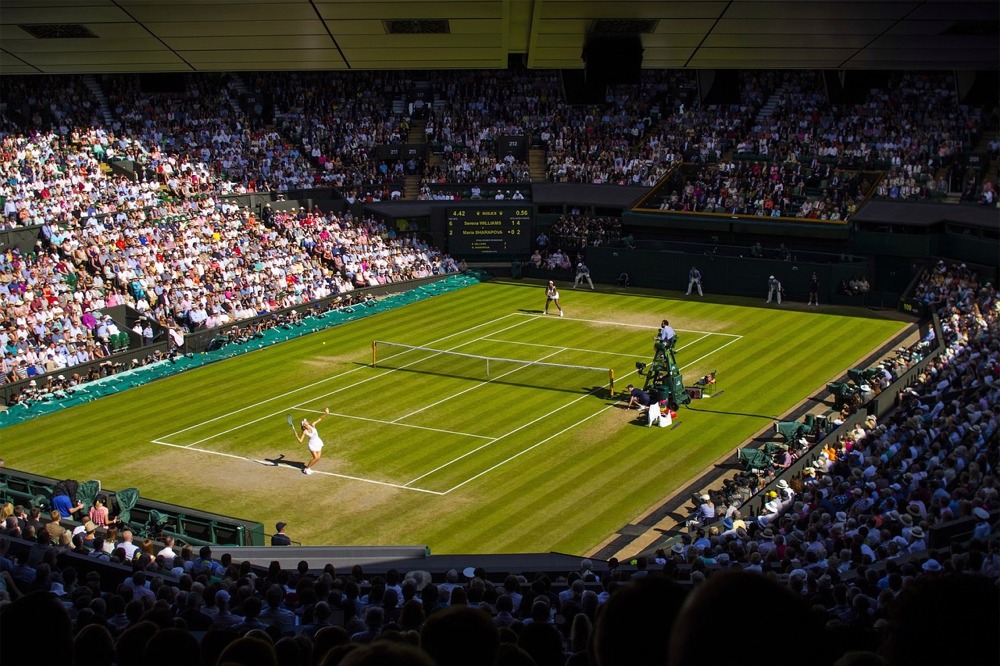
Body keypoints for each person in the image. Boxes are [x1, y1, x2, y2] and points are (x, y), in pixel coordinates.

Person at [296, 407, 331, 475]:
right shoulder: (305, 432)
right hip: (312, 445)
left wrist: (326, 413)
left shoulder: (313, 425)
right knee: (315, 457)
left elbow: (320, 418)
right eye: (305, 422)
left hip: (318, 442)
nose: (306, 421)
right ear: (304, 425)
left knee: (318, 458)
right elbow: (300, 441)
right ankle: (306, 469)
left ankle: (308, 468)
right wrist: (296, 436)